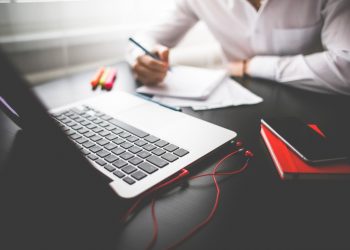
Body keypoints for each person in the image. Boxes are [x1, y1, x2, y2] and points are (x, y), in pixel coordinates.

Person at [130, 0, 350, 95]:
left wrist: (251, 66)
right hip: (234, 105)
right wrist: (142, 58)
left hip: (313, 105)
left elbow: (346, 65)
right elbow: (144, 38)